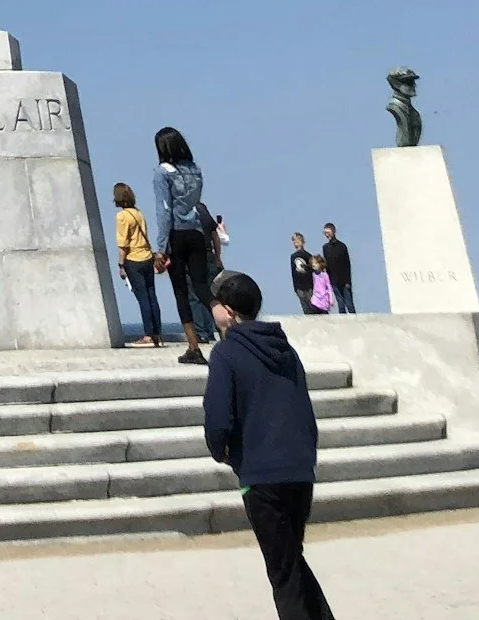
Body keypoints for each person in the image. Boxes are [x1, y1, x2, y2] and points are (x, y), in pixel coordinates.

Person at [204, 269, 336, 620]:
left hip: (261, 475)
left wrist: (222, 452)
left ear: (229, 311)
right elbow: (303, 407)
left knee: (283, 573)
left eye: (216, 302)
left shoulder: (226, 353)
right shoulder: (285, 349)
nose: (212, 308)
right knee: (291, 561)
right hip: (298, 469)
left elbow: (217, 417)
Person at [150, 126, 218, 365]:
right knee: (202, 286)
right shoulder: (194, 170)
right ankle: (228, 331)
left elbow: (164, 210)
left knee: (181, 291)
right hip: (196, 231)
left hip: (176, 235)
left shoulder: (162, 172)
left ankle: (193, 347)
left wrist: (160, 247)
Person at [113, 182, 161, 346]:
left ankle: (148, 335)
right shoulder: (139, 213)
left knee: (142, 298)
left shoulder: (122, 216)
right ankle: (157, 334)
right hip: (147, 257)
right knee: (151, 296)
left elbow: (123, 244)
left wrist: (121, 265)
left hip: (133, 259)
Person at [321, 225, 355, 315]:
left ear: (333, 231)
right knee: (340, 304)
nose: (327, 235)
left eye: (328, 232)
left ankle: (355, 322)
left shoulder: (342, 246)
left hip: (344, 280)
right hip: (333, 280)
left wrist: (348, 281)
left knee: (349, 303)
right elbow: (326, 265)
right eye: (325, 233)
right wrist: (327, 281)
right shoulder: (325, 248)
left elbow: (347, 264)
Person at [288, 233, 316, 315]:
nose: (295, 242)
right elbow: (293, 272)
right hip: (299, 286)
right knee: (305, 308)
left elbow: (312, 269)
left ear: (302, 241)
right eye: (294, 240)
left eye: (297, 239)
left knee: (312, 306)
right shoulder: (293, 256)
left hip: (309, 285)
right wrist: (295, 287)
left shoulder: (308, 255)